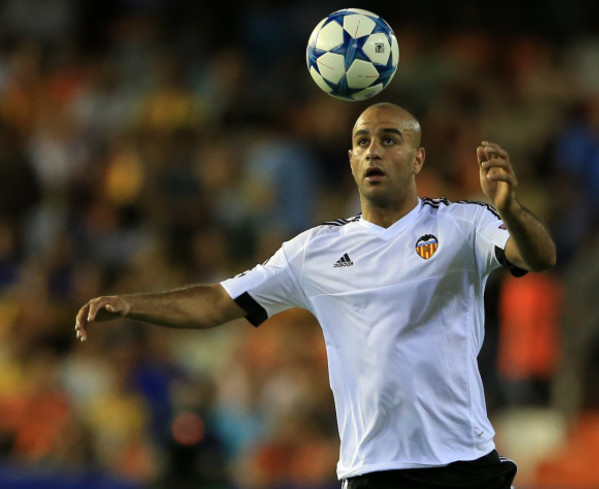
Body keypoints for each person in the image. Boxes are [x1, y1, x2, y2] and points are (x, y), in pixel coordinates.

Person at [75, 103, 556, 489]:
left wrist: (509, 209)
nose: (373, 151)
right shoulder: (315, 252)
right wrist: (133, 304)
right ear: (350, 159)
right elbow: (218, 302)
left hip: (466, 464)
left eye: (390, 140)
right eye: (362, 141)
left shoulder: (463, 223)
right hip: (374, 471)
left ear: (417, 159)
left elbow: (538, 256)